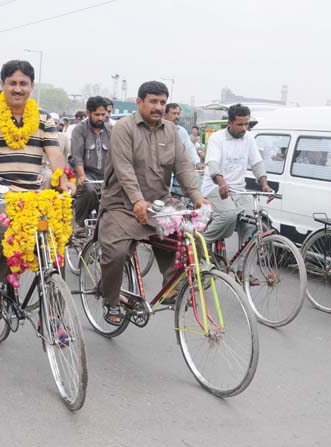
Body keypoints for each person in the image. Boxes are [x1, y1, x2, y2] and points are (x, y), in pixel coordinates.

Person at [0, 60, 75, 319]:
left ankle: (54, 300)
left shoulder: (44, 118)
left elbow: (54, 154)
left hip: (32, 190)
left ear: (32, 86)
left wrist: (62, 178)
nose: (18, 88)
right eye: (12, 83)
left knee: (56, 230)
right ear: (3, 85)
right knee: (5, 224)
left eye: (23, 83)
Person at [98, 81, 210, 325]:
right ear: (139, 102)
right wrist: (137, 200)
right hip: (122, 203)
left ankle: (172, 286)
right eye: (153, 101)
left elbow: (182, 166)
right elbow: (124, 168)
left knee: (191, 235)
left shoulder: (171, 131)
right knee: (115, 253)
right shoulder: (123, 128)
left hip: (159, 202)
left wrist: (197, 197)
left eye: (162, 102)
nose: (158, 107)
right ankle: (111, 299)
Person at [201, 104, 272, 256]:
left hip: (239, 189)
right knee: (229, 215)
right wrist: (222, 183)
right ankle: (203, 242)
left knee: (252, 222)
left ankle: (243, 272)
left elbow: (257, 163)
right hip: (215, 187)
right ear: (230, 123)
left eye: (246, 124)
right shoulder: (217, 138)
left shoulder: (249, 138)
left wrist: (265, 185)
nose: (244, 128)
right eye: (240, 124)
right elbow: (213, 164)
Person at [70, 95, 111, 229]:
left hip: (106, 176)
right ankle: (80, 225)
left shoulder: (112, 130)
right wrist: (82, 176)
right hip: (86, 174)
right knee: (89, 190)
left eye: (103, 114)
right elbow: (77, 157)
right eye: (96, 114)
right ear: (88, 113)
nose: (100, 118)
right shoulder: (79, 130)